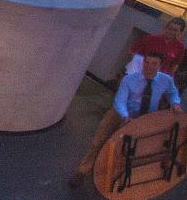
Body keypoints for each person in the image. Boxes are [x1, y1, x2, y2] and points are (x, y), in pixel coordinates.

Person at [73, 49, 182, 185]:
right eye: (146, 62)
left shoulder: (166, 80)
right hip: (120, 113)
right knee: (98, 141)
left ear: (160, 66)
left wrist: (176, 103)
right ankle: (83, 170)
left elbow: (173, 93)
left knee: (124, 149)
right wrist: (125, 117)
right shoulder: (129, 79)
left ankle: (106, 177)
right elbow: (120, 100)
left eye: (154, 64)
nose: (149, 66)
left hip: (143, 118)